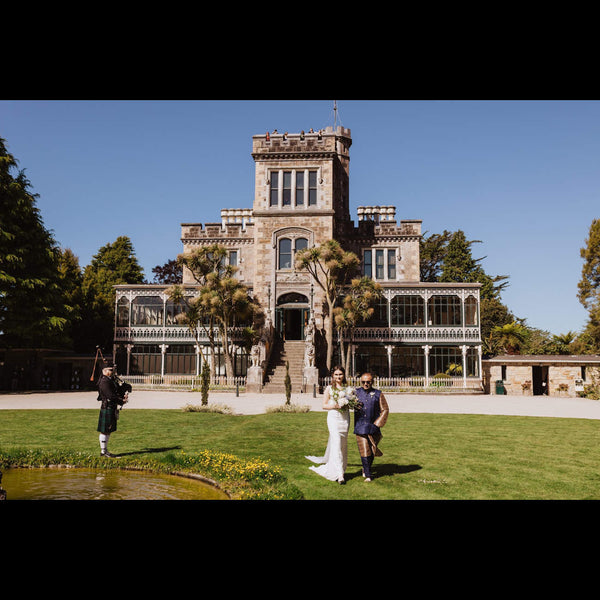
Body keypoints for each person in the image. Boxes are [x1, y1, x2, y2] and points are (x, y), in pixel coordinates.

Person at [306, 366, 351, 484]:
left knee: (343, 445)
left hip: (345, 418)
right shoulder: (329, 389)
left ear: (344, 375)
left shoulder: (347, 390)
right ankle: (339, 474)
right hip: (334, 418)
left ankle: (342, 468)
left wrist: (349, 403)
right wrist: (335, 406)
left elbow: (351, 402)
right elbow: (324, 405)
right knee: (336, 443)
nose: (338, 377)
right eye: (336, 374)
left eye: (340, 374)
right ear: (332, 376)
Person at [354, 372, 389, 482]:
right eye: (363, 382)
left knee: (371, 450)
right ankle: (368, 475)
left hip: (373, 427)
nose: (365, 384)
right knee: (364, 449)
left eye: (368, 382)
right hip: (360, 425)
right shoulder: (355, 393)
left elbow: (385, 409)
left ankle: (366, 468)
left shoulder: (378, 394)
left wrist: (378, 423)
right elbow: (346, 405)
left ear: (372, 382)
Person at [97, 364, 128, 457]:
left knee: (108, 430)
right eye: (111, 370)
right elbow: (110, 396)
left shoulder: (110, 380)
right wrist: (121, 401)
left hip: (111, 407)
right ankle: (103, 451)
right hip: (107, 407)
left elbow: (116, 391)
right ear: (105, 371)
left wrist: (123, 391)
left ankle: (104, 451)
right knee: (105, 430)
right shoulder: (104, 381)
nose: (113, 372)